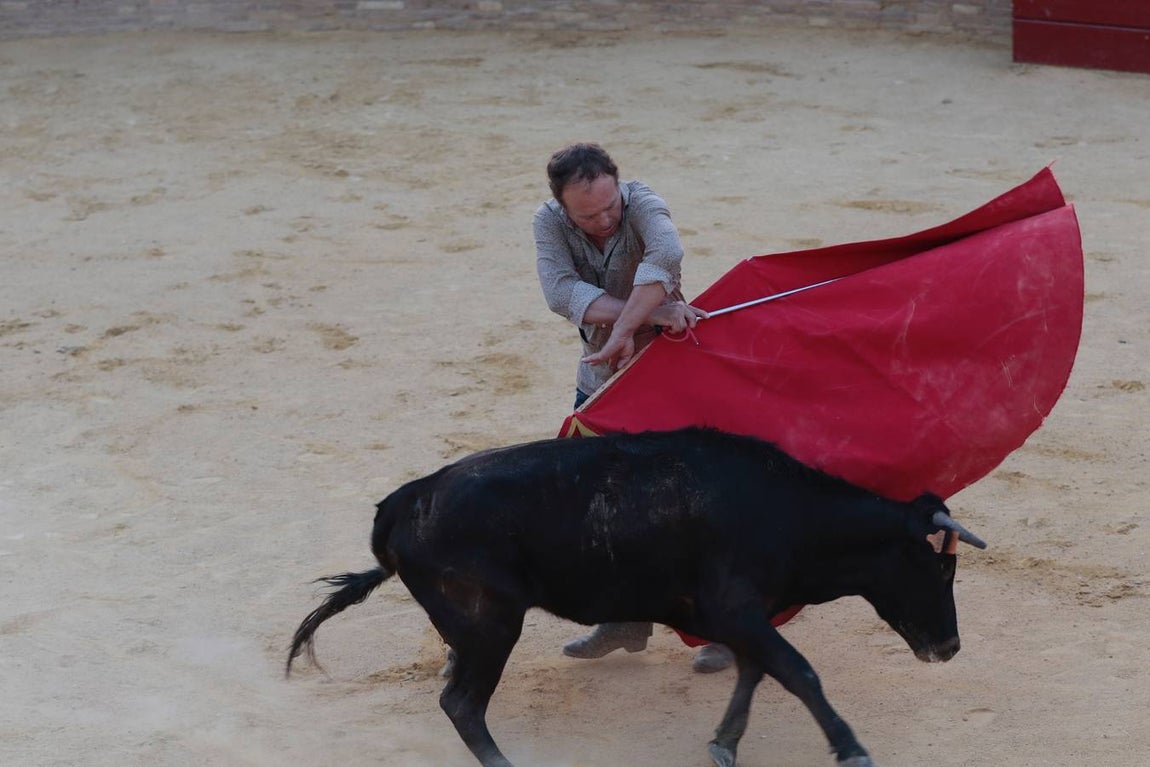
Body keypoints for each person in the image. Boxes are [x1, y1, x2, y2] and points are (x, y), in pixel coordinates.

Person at [533, 142, 734, 674]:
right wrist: (651, 315)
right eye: (587, 215)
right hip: (602, 379)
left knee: (697, 508)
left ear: (620, 187)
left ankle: (728, 625)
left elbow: (663, 258)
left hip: (673, 376)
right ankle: (626, 617)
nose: (601, 221)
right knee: (596, 504)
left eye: (609, 209)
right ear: (561, 205)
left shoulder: (645, 203)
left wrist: (622, 330)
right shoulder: (548, 222)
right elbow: (559, 291)